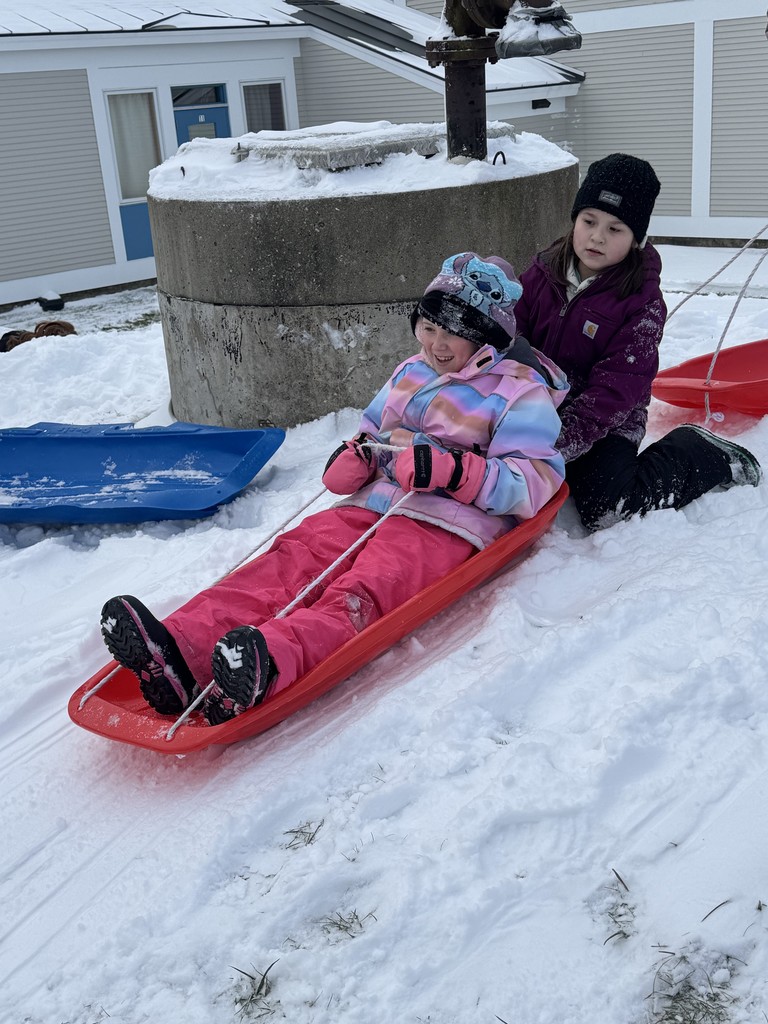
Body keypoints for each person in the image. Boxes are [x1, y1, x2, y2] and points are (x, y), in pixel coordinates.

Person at [99, 252, 569, 725]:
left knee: (360, 592)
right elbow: (372, 430)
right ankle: (179, 651)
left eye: (454, 333)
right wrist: (359, 455)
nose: (437, 345)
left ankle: (268, 662)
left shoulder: (519, 394)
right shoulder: (411, 372)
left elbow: (535, 482)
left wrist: (451, 470)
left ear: (486, 338)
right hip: (372, 505)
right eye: (428, 327)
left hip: (443, 526)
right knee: (290, 560)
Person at [513, 152, 762, 531]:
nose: (597, 236)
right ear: (575, 220)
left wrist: (559, 444)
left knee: (607, 506)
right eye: (589, 221)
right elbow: (510, 336)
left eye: (615, 229)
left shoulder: (642, 303)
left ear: (635, 239)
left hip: (608, 420)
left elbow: (617, 390)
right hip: (538, 406)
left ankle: (697, 452)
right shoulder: (540, 273)